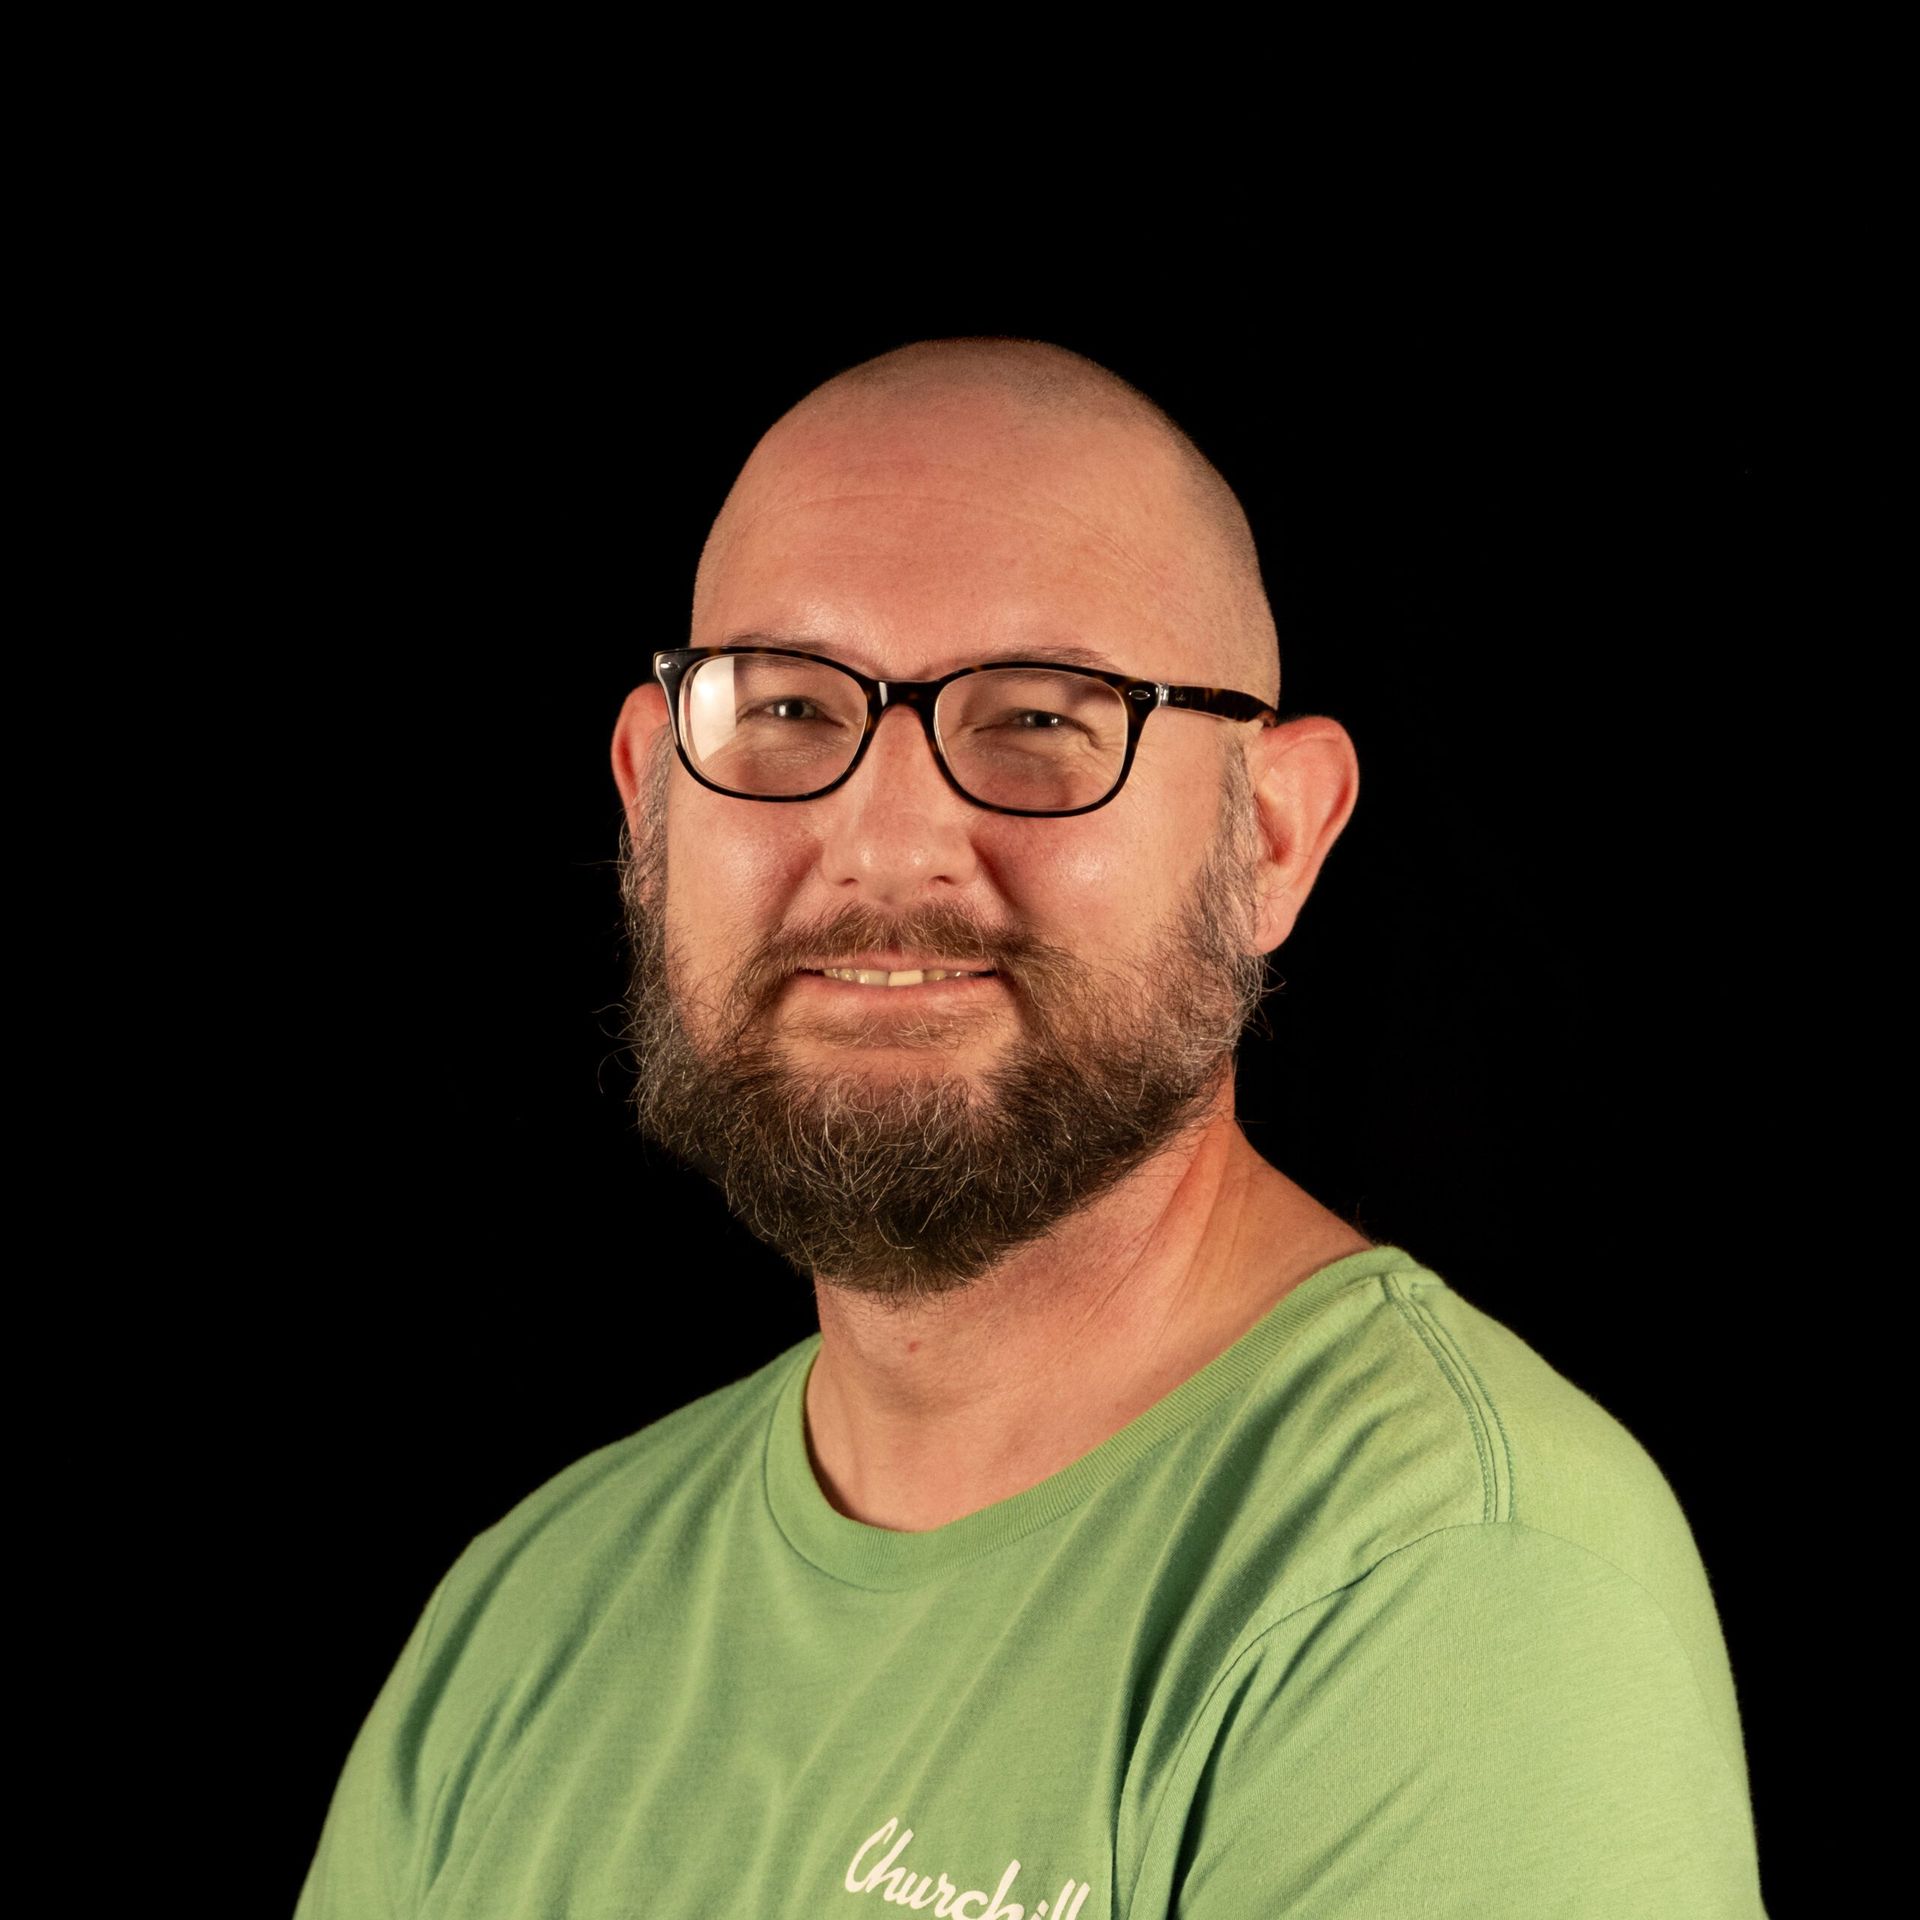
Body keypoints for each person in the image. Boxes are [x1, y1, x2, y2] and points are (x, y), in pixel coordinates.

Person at [296, 338, 1769, 1916]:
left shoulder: (1451, 1582)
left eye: (1044, 723)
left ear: (1270, 838)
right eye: (787, 705)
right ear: (651, 801)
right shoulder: (530, 1617)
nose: (888, 841)